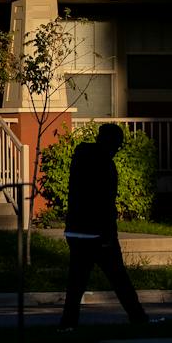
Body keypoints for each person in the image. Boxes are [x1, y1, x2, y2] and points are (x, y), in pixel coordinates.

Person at [58, 123, 150, 328]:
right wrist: (109, 235)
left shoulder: (80, 158)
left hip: (75, 230)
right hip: (98, 234)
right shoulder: (106, 165)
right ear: (111, 143)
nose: (118, 149)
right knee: (119, 279)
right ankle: (139, 318)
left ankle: (68, 323)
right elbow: (105, 203)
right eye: (118, 145)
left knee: (76, 282)